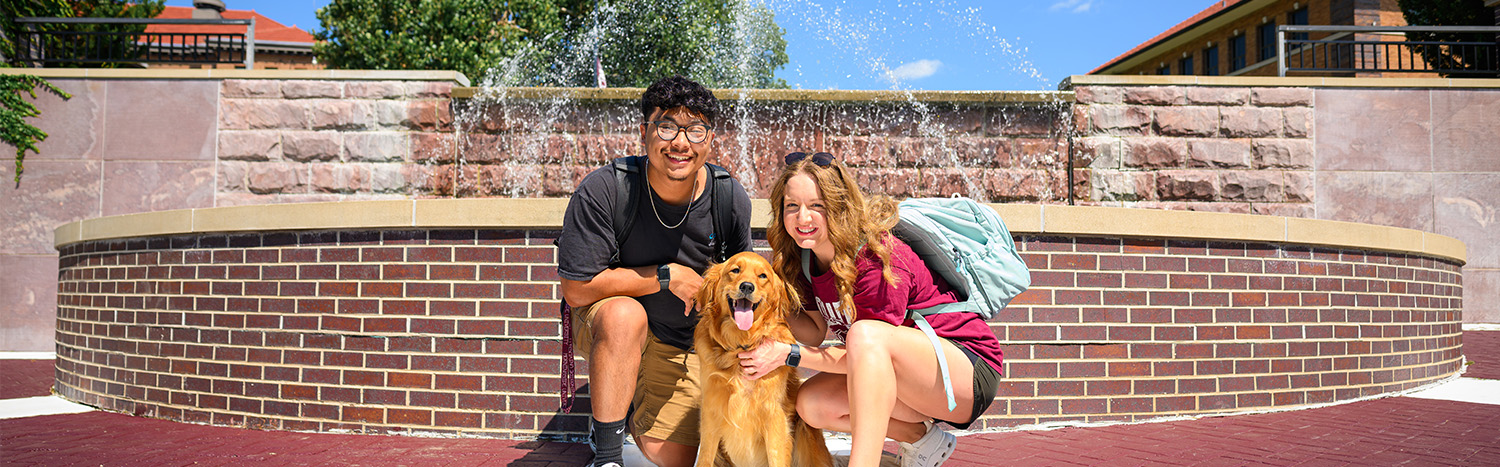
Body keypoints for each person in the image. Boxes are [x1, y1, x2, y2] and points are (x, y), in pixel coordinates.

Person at [738, 151, 1004, 467]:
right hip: (906, 378)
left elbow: (865, 352)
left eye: (817, 206)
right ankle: (923, 441)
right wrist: (768, 303)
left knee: (864, 335)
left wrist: (785, 354)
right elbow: (814, 331)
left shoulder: (875, 257)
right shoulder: (807, 260)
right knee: (811, 404)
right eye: (792, 206)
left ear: (839, 206)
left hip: (965, 370)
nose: (802, 217)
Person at [556, 76, 753, 467]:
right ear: (645, 131)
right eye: (666, 127)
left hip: (684, 342)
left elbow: (743, 288)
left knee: (684, 457)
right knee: (624, 314)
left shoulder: (728, 197)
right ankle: (608, 456)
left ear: (710, 140)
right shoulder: (606, 189)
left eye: (695, 130)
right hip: (611, 324)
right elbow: (576, 290)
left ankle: (623, 405)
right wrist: (666, 275)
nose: (680, 143)